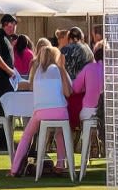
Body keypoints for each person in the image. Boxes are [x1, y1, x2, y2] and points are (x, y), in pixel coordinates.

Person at [9, 44, 73, 177]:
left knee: (26, 136)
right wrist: (62, 68)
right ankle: (61, 164)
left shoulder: (37, 72)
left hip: (40, 113)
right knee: (60, 133)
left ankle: (14, 168)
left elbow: (32, 89)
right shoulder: (58, 69)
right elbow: (68, 92)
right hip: (60, 111)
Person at [71, 42, 105, 131]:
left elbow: (76, 88)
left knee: (85, 134)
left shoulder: (88, 68)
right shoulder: (113, 69)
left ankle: (86, 143)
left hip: (88, 112)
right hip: (109, 112)